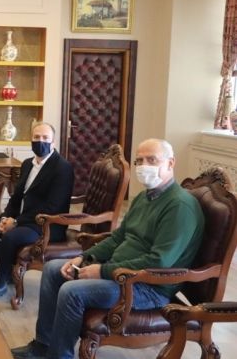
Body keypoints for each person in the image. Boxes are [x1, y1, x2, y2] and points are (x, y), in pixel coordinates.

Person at [12, 139, 205, 359]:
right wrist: (84, 257)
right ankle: (42, 345)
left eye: (152, 160)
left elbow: (158, 262)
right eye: (139, 160)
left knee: (71, 291)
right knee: (53, 269)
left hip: (148, 287)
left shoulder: (180, 206)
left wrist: (102, 271)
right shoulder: (144, 197)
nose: (144, 166)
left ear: (170, 163)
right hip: (120, 273)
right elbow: (118, 238)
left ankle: (59, 356)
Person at [0, 122, 74, 300]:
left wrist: (16, 222)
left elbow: (53, 207)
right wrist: (5, 218)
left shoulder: (62, 168)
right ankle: (10, 270)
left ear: (53, 142)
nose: (40, 141)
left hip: (46, 225)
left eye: (45, 138)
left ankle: (0, 281)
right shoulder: (27, 164)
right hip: (23, 219)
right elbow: (17, 197)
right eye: (36, 137)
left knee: (10, 237)